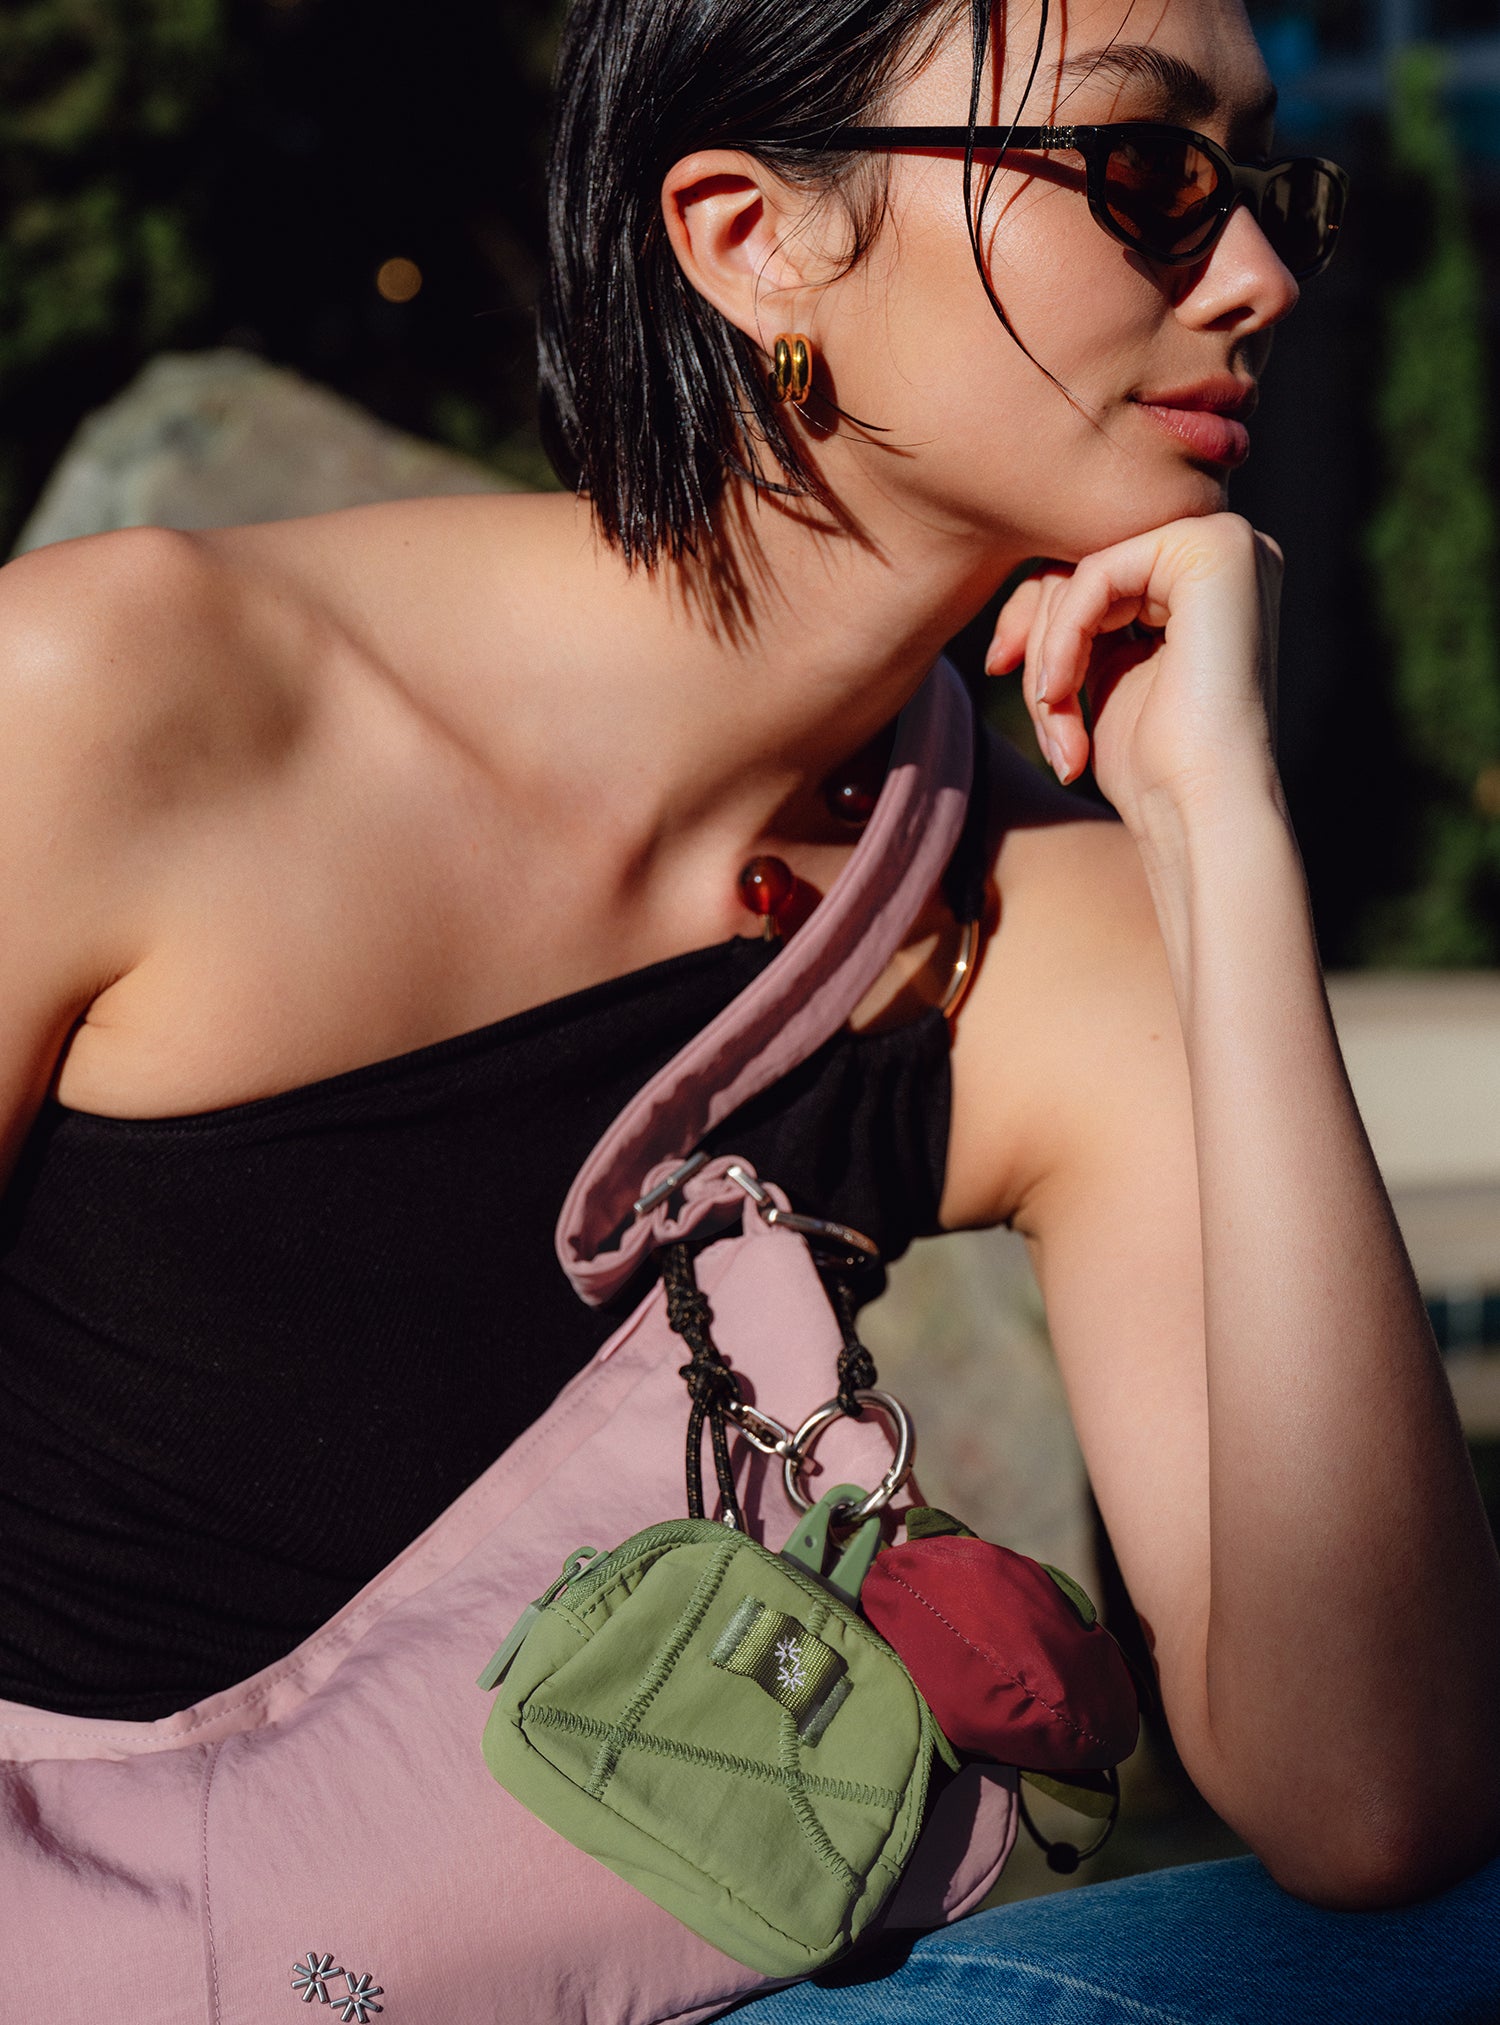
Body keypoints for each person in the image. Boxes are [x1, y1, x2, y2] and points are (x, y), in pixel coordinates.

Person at [1, 0, 1498, 2016]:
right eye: (1147, 171)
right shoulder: (124, 696)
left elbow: (1377, 1794)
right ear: (751, 234)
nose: (1259, 276)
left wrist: (1220, 826)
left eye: (1267, 188)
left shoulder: (1034, 932)